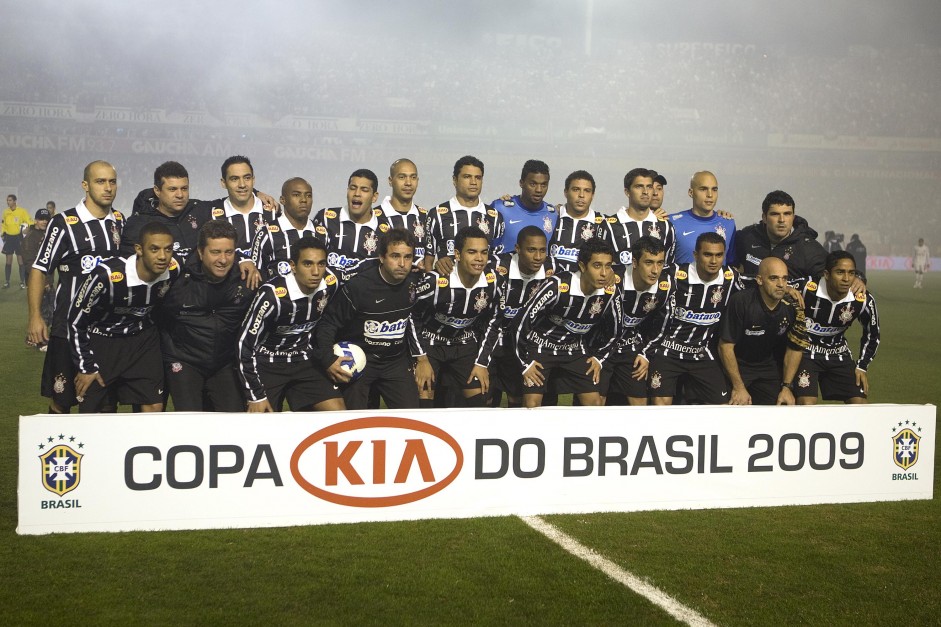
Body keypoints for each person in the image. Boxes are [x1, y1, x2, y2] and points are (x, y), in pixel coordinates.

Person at [28, 160, 125, 413]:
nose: (107, 188)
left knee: (102, 405)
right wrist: (36, 316)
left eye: (112, 182)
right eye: (100, 181)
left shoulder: (119, 221)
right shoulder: (64, 223)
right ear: (85, 185)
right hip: (67, 329)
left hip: (105, 330)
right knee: (61, 401)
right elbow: (40, 268)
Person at [68, 223, 180, 413]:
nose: (162, 256)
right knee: (97, 414)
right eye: (154, 249)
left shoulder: (174, 269)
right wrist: (86, 366)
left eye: (167, 249)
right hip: (103, 342)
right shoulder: (107, 275)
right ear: (139, 249)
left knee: (154, 406)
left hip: (142, 341)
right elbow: (76, 319)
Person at [316, 228, 423, 410]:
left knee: (411, 416)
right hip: (360, 359)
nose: (402, 263)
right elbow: (329, 323)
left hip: (395, 361)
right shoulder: (359, 286)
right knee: (353, 419)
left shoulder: (415, 282)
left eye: (408, 257)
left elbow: (414, 319)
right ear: (381, 257)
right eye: (395, 256)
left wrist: (422, 358)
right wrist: (327, 359)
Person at [237, 236, 343, 412]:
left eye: (321, 264)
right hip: (267, 363)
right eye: (308, 264)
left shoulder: (331, 283)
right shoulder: (272, 296)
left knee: (337, 412)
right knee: (261, 424)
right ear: (293, 266)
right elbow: (244, 344)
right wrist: (255, 396)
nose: (316, 272)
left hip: (304, 360)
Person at [158, 221, 254, 411]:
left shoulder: (247, 279)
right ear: (201, 253)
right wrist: (171, 354)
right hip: (185, 361)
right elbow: (158, 317)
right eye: (215, 252)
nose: (223, 260)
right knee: (190, 420)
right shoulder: (177, 280)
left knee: (234, 420)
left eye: (229, 252)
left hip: (224, 362)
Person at [515, 238, 621, 408]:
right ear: (582, 266)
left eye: (608, 266)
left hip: (574, 349)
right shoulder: (556, 285)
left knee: (595, 404)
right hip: (541, 346)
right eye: (597, 265)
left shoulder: (611, 292)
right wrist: (524, 363)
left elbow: (616, 332)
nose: (603, 273)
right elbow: (522, 321)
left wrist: (599, 357)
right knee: (532, 406)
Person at [646, 232, 743, 405]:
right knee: (660, 407)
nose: (713, 261)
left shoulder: (731, 277)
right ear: (695, 255)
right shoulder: (675, 274)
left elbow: (755, 286)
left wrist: (787, 289)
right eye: (707, 255)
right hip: (668, 351)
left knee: (723, 406)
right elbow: (642, 276)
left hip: (701, 352)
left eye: (719, 255)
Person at [412, 226, 502, 408]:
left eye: (484, 253)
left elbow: (494, 322)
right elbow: (411, 316)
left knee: (481, 398)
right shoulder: (436, 282)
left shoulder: (494, 282)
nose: (479, 258)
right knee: (423, 402)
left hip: (463, 343)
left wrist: (482, 363)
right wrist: (420, 358)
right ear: (457, 255)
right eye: (472, 252)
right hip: (431, 344)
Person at [718, 257, 809, 406]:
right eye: (773, 278)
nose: (781, 285)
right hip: (738, 365)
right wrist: (738, 387)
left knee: (782, 408)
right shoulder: (741, 302)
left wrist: (786, 387)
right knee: (727, 407)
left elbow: (795, 349)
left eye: (784, 279)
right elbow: (725, 347)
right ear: (760, 280)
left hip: (768, 367)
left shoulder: (793, 307)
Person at [793, 252, 879, 405]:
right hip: (805, 353)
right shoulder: (807, 288)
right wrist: (787, 289)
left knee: (861, 405)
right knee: (806, 404)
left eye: (851, 273)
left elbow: (872, 335)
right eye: (840, 272)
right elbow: (776, 285)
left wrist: (862, 366)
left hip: (838, 354)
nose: (846, 279)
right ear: (826, 274)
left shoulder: (863, 299)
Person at [600, 236, 669, 406]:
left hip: (630, 346)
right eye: (649, 262)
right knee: (595, 403)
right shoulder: (612, 279)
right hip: (600, 346)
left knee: (640, 404)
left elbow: (662, 326)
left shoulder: (666, 287)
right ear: (635, 262)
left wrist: (645, 353)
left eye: (660, 263)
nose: (655, 270)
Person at [491, 226, 554, 407]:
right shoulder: (496, 265)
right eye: (531, 250)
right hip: (492, 341)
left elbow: (583, 272)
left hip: (522, 344)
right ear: (517, 249)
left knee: (517, 400)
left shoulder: (553, 268)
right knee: (485, 398)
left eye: (542, 250)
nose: (538, 257)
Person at [424, 155, 504, 273]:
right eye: (467, 177)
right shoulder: (437, 214)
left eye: (478, 177)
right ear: (454, 180)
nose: (473, 182)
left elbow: (498, 258)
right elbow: (428, 259)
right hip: (446, 287)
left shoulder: (495, 217)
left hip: (482, 289)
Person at [735, 190, 828, 281]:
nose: (782, 220)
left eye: (787, 214)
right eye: (775, 214)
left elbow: (826, 286)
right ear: (764, 218)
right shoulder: (747, 236)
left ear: (793, 217)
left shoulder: (810, 249)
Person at [313, 169, 391, 273]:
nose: (357, 193)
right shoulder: (325, 218)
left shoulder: (384, 231)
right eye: (353, 188)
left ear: (374, 197)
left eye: (364, 190)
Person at [604, 167, 675, 269]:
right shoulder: (609, 226)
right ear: (627, 192)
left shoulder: (666, 227)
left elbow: (668, 267)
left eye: (649, 187)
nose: (646, 191)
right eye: (639, 186)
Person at [250, 177, 318, 280]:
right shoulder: (266, 234)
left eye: (308, 195)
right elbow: (255, 276)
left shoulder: (322, 233)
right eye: (296, 195)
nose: (304, 200)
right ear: (282, 200)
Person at [669, 171, 737, 266]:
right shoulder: (672, 222)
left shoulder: (728, 223)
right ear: (691, 192)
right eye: (703, 189)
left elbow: (732, 263)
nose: (710, 194)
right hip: (681, 281)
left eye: (714, 189)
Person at [491, 159, 557, 253]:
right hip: (502, 267)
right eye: (533, 184)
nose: (539, 190)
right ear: (521, 183)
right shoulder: (500, 208)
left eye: (543, 185)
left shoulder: (553, 214)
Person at [549, 170, 607, 272]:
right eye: (576, 189)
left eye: (587, 191)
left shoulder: (603, 223)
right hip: (550, 284)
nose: (581, 195)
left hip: (585, 287)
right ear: (566, 192)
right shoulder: (551, 216)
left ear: (592, 195)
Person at [377, 158, 428, 265]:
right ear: (390, 181)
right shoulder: (374, 217)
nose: (408, 183)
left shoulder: (426, 217)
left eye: (413, 177)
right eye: (402, 177)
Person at [21, 208, 54, 349]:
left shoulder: (48, 235)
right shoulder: (31, 237)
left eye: (46, 219)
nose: (44, 221)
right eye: (41, 219)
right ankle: (40, 342)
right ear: (35, 220)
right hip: (38, 281)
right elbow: (29, 262)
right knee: (43, 311)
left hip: (48, 279)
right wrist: (43, 281)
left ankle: (32, 339)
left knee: (50, 310)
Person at [2, 194, 32, 289]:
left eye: (10, 200)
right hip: (9, 238)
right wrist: (2, 233)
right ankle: (7, 282)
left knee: (20, 260)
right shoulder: (5, 212)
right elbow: (3, 225)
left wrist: (27, 229)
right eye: (7, 200)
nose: (8, 202)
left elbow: (29, 221)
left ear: (15, 201)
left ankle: (22, 282)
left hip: (18, 238)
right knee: (8, 261)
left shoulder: (22, 211)